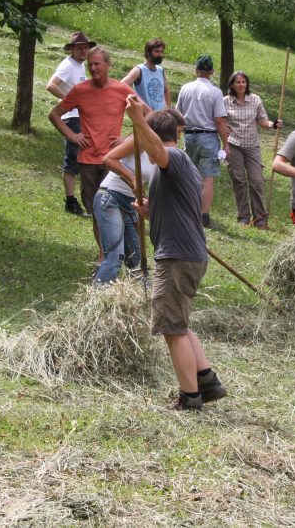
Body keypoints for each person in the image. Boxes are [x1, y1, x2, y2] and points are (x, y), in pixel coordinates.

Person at [126, 98, 227, 411]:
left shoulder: (171, 156)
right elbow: (177, 208)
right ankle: (206, 381)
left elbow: (157, 151)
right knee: (179, 323)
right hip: (186, 253)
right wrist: (150, 212)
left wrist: (137, 119)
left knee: (171, 328)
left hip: (178, 257)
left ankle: (190, 397)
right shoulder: (176, 166)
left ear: (153, 135)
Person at [49, 45, 140, 253]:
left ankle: (129, 252)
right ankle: (104, 254)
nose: (93, 68)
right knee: (97, 212)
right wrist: (72, 135)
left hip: (113, 161)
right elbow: (54, 114)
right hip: (87, 160)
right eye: (90, 65)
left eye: (97, 64)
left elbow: (146, 115)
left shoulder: (121, 90)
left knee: (119, 208)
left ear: (108, 65)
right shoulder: (80, 90)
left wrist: (126, 139)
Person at [94, 110, 186, 284]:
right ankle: (97, 299)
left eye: (180, 134)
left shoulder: (162, 154)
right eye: (177, 132)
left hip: (131, 203)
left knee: (136, 261)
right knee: (114, 258)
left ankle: (146, 302)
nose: (178, 138)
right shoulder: (140, 141)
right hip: (110, 196)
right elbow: (108, 159)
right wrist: (132, 178)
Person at [175, 55, 229, 229]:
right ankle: (203, 214)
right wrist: (226, 143)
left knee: (189, 174)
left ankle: (186, 209)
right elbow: (219, 120)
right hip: (208, 136)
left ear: (195, 70)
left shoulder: (185, 88)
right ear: (212, 72)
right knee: (207, 178)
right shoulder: (215, 92)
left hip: (190, 135)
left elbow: (178, 115)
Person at [45, 31, 95, 216]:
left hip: (79, 116)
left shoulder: (80, 66)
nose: (83, 51)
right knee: (73, 158)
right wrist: (69, 101)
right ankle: (70, 200)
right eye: (80, 47)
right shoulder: (68, 65)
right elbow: (51, 85)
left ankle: (80, 199)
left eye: (86, 47)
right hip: (71, 118)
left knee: (82, 156)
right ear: (72, 49)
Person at [223, 71, 281, 228]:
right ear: (232, 85)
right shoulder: (225, 101)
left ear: (247, 84)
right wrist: (223, 129)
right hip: (234, 144)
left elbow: (263, 121)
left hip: (252, 146)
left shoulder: (255, 100)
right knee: (239, 180)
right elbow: (220, 121)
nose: (241, 85)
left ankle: (260, 219)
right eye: (238, 82)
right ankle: (243, 217)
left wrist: (273, 124)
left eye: (244, 82)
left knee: (256, 181)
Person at [121, 37, 171, 111]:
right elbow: (122, 85)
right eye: (156, 51)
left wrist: (168, 108)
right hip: (146, 117)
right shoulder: (139, 70)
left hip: (160, 116)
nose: (160, 55)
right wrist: (136, 100)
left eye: (161, 52)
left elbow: (166, 90)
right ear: (148, 52)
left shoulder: (160, 70)